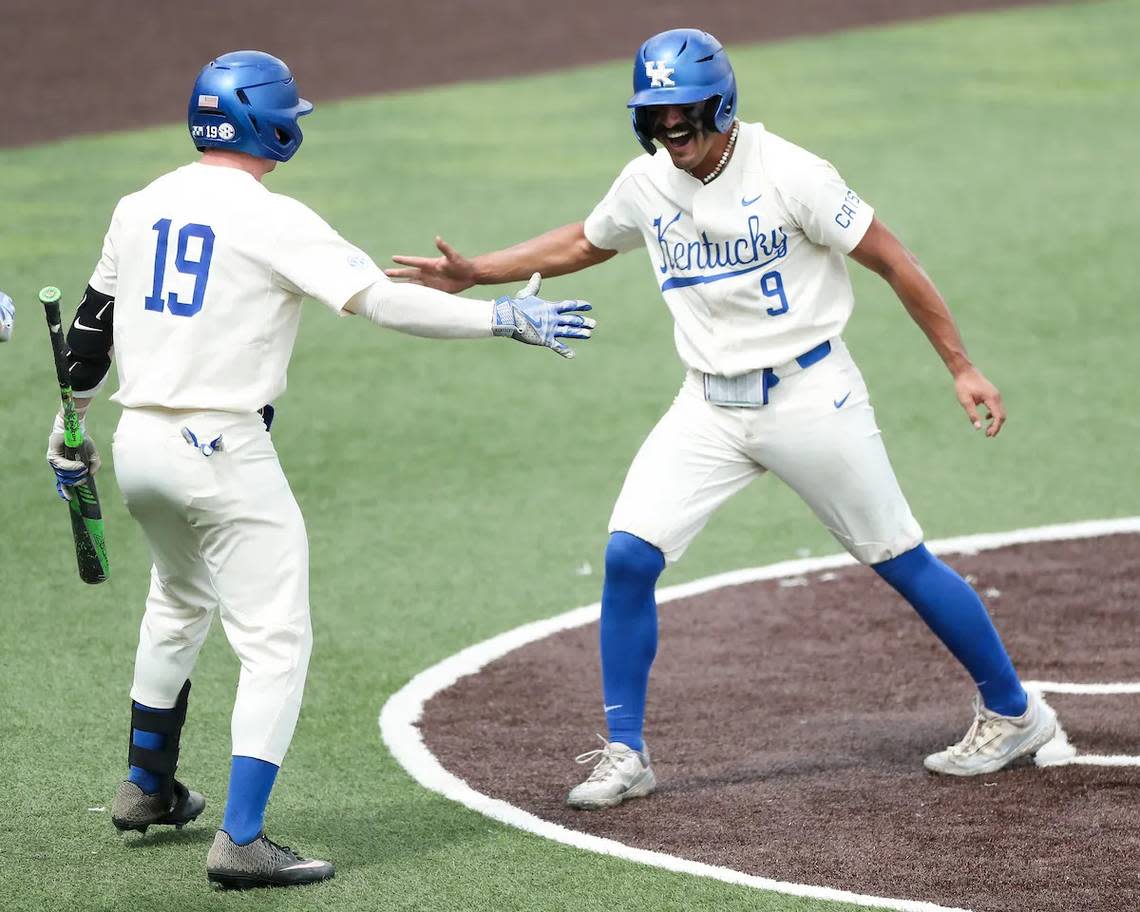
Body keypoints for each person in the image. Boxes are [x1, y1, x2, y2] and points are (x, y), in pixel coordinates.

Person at [388, 28, 1056, 810]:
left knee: (899, 556)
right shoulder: (646, 183)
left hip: (810, 397)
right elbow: (584, 239)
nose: (669, 128)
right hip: (706, 404)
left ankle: (1014, 712)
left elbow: (892, 258)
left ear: (720, 103)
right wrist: (477, 273)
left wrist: (961, 365)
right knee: (629, 557)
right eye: (655, 113)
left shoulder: (790, 172)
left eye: (682, 111)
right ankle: (625, 752)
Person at [44, 50, 594, 885]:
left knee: (176, 602)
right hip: (221, 449)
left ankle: (146, 787)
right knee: (275, 642)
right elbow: (379, 299)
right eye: (288, 112)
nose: (296, 122)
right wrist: (500, 318)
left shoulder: (140, 204)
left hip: (137, 447)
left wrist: (66, 431)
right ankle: (242, 839)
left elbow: (87, 337)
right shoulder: (271, 217)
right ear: (263, 121)